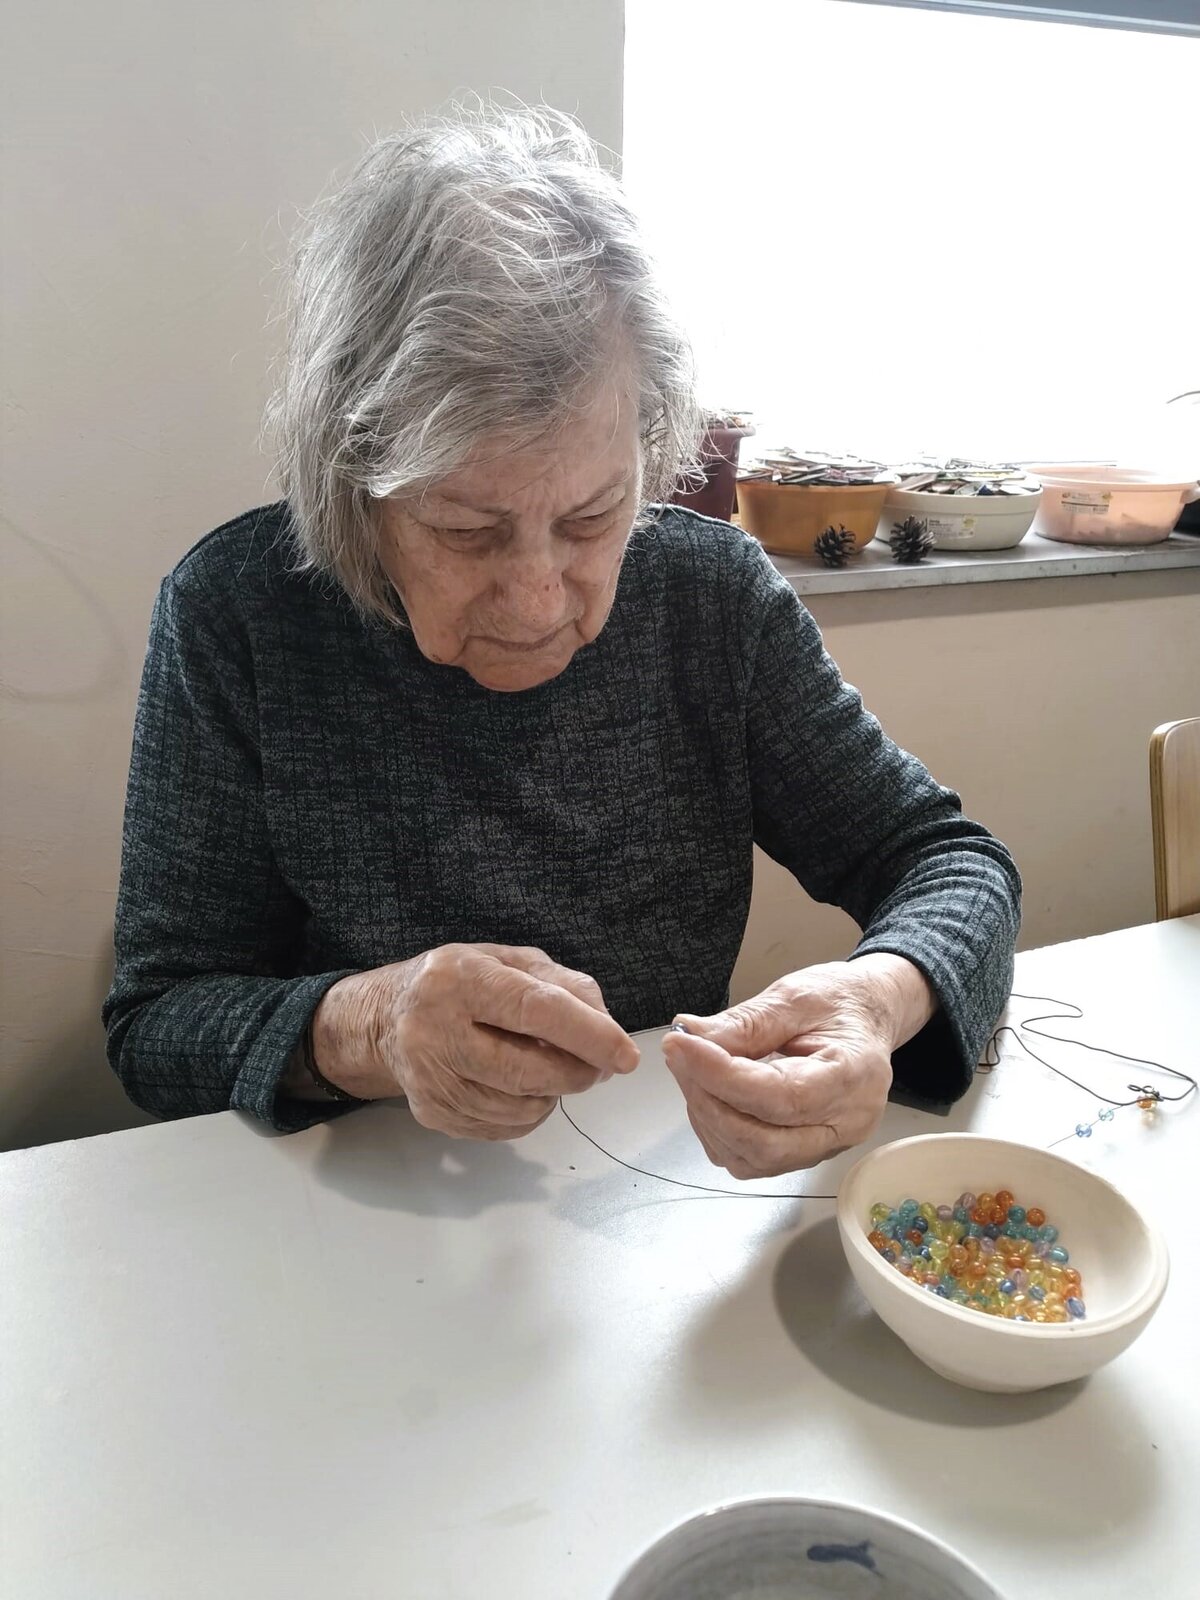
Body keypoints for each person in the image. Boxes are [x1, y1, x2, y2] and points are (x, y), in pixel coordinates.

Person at [103, 106, 1020, 1179]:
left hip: (657, 1187)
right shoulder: (240, 613)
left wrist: (876, 996)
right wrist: (369, 1026)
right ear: (355, 485)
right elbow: (157, 1023)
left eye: (592, 518)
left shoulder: (709, 597)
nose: (540, 601)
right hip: (345, 1198)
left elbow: (948, 862)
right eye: (466, 530)